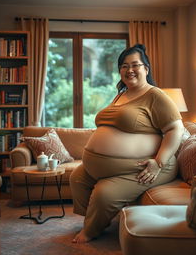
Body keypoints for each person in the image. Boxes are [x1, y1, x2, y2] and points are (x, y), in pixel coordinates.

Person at [70, 44, 184, 243]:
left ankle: (90, 230)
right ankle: (94, 219)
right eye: (124, 66)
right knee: (77, 178)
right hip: (107, 166)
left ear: (146, 69)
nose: (129, 70)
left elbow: (176, 129)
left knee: (104, 194)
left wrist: (159, 162)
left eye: (135, 65)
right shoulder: (121, 94)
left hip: (149, 165)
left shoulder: (155, 95)